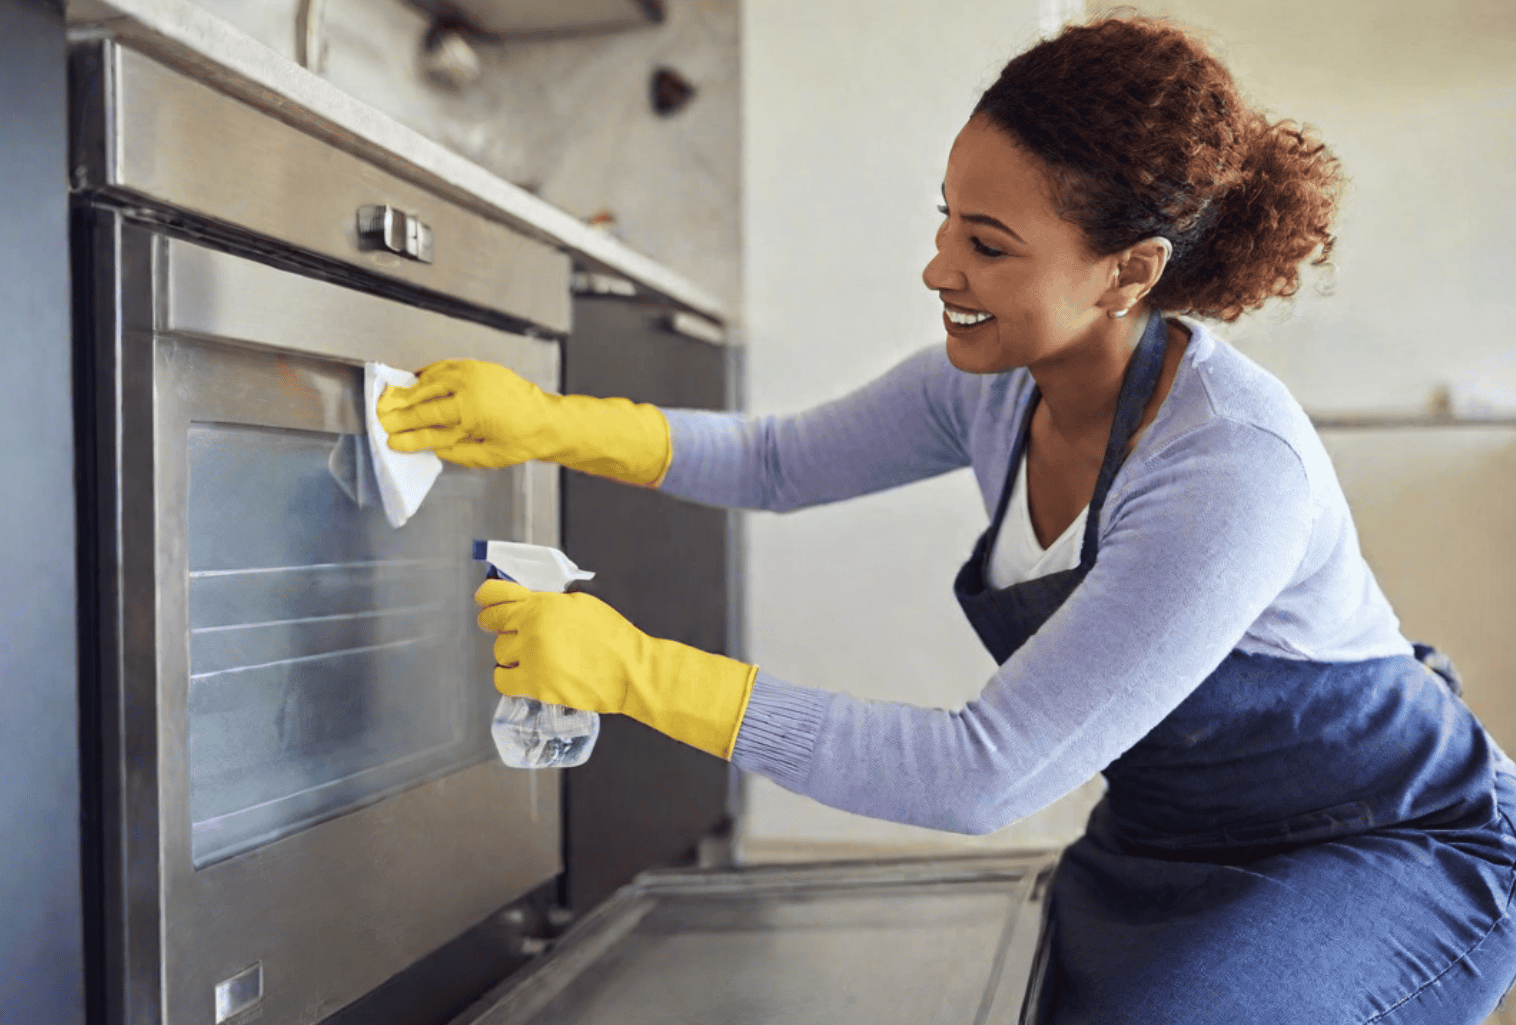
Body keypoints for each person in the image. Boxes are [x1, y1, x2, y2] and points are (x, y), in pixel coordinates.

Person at [377, 14, 1516, 1023]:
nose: (937, 267)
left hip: (1383, 847)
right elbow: (779, 460)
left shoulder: (1228, 465)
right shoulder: (989, 384)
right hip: (1162, 846)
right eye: (948, 220)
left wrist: (640, 673)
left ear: (1127, 272)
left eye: (987, 244)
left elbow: (981, 772)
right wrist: (548, 419)